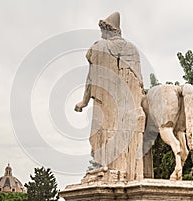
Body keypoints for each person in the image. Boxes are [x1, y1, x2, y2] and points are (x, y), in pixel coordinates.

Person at [75, 12, 145, 180]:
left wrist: (84, 102)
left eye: (102, 30)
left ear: (108, 30)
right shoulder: (132, 49)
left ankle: (107, 167)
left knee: (102, 130)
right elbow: (140, 82)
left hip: (105, 101)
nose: (101, 34)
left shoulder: (99, 46)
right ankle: (119, 169)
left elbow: (91, 77)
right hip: (130, 105)